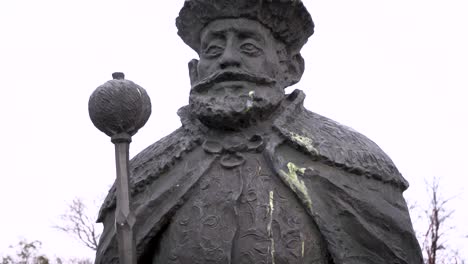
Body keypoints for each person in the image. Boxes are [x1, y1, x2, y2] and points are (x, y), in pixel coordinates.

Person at [95, 0, 423, 263]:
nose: (228, 59)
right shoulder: (145, 173)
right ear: (195, 72)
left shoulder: (352, 162)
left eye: (249, 47)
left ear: (291, 68)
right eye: (213, 49)